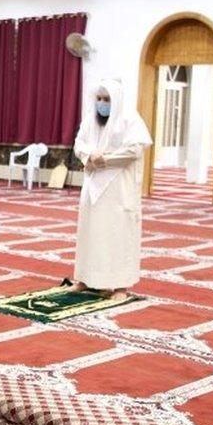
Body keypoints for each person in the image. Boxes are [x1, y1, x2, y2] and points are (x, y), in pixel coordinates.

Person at [72, 79, 152, 301]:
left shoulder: (130, 120)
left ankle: (120, 286)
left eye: (106, 99)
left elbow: (134, 149)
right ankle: (86, 278)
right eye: (98, 99)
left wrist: (104, 159)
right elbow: (79, 143)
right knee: (90, 233)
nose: (101, 103)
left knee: (116, 235)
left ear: (116, 100)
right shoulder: (91, 120)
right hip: (93, 188)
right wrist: (89, 155)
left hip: (119, 190)